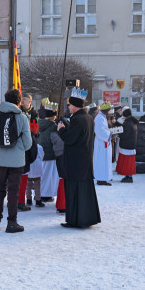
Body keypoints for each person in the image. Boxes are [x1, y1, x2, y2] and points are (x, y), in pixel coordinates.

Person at [0, 89, 34, 233]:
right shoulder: (22, 117)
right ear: (19, 102)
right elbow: (28, 143)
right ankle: (12, 222)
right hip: (16, 161)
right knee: (13, 191)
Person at [58, 89, 101, 228]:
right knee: (85, 192)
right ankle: (86, 218)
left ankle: (75, 220)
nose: (69, 107)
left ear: (75, 105)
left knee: (74, 192)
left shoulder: (77, 119)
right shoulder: (88, 118)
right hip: (85, 161)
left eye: (70, 105)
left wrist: (61, 129)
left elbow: (70, 139)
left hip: (75, 163)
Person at [38, 100, 60, 201]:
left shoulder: (39, 123)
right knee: (49, 177)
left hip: (40, 153)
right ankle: (46, 195)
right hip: (50, 153)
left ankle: (39, 194)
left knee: (41, 176)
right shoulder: (53, 126)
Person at [93, 103, 113, 186]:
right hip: (101, 143)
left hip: (104, 142)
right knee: (101, 161)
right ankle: (101, 178)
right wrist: (109, 133)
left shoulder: (102, 117)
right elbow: (99, 131)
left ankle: (104, 177)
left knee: (105, 161)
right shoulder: (99, 118)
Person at [116, 108, 138, 183]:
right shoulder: (131, 122)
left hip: (127, 145)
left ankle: (129, 176)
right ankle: (128, 175)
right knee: (129, 162)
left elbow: (125, 134)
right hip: (130, 145)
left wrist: (119, 133)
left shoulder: (128, 123)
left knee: (128, 162)